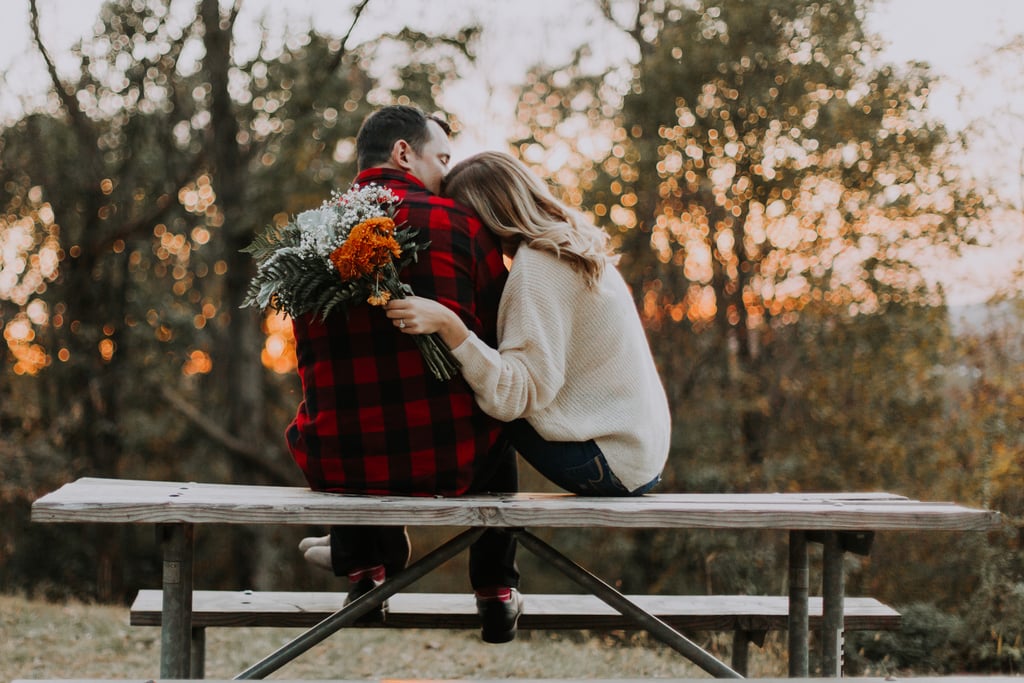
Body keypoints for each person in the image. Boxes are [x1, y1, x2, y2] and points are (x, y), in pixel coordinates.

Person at [288, 107, 522, 643]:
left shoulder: (310, 240)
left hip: (344, 469)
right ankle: (495, 591)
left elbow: (309, 364)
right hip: (450, 462)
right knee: (500, 425)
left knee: (345, 415)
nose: (447, 174)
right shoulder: (463, 227)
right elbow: (498, 341)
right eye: (441, 159)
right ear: (402, 154)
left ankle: (366, 571)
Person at [385, 151, 670, 496]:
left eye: (462, 220)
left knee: (478, 401)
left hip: (608, 464)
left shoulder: (537, 268)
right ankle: (377, 535)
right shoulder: (572, 244)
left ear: (484, 217)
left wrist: (450, 326)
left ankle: (468, 543)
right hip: (639, 458)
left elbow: (512, 396)